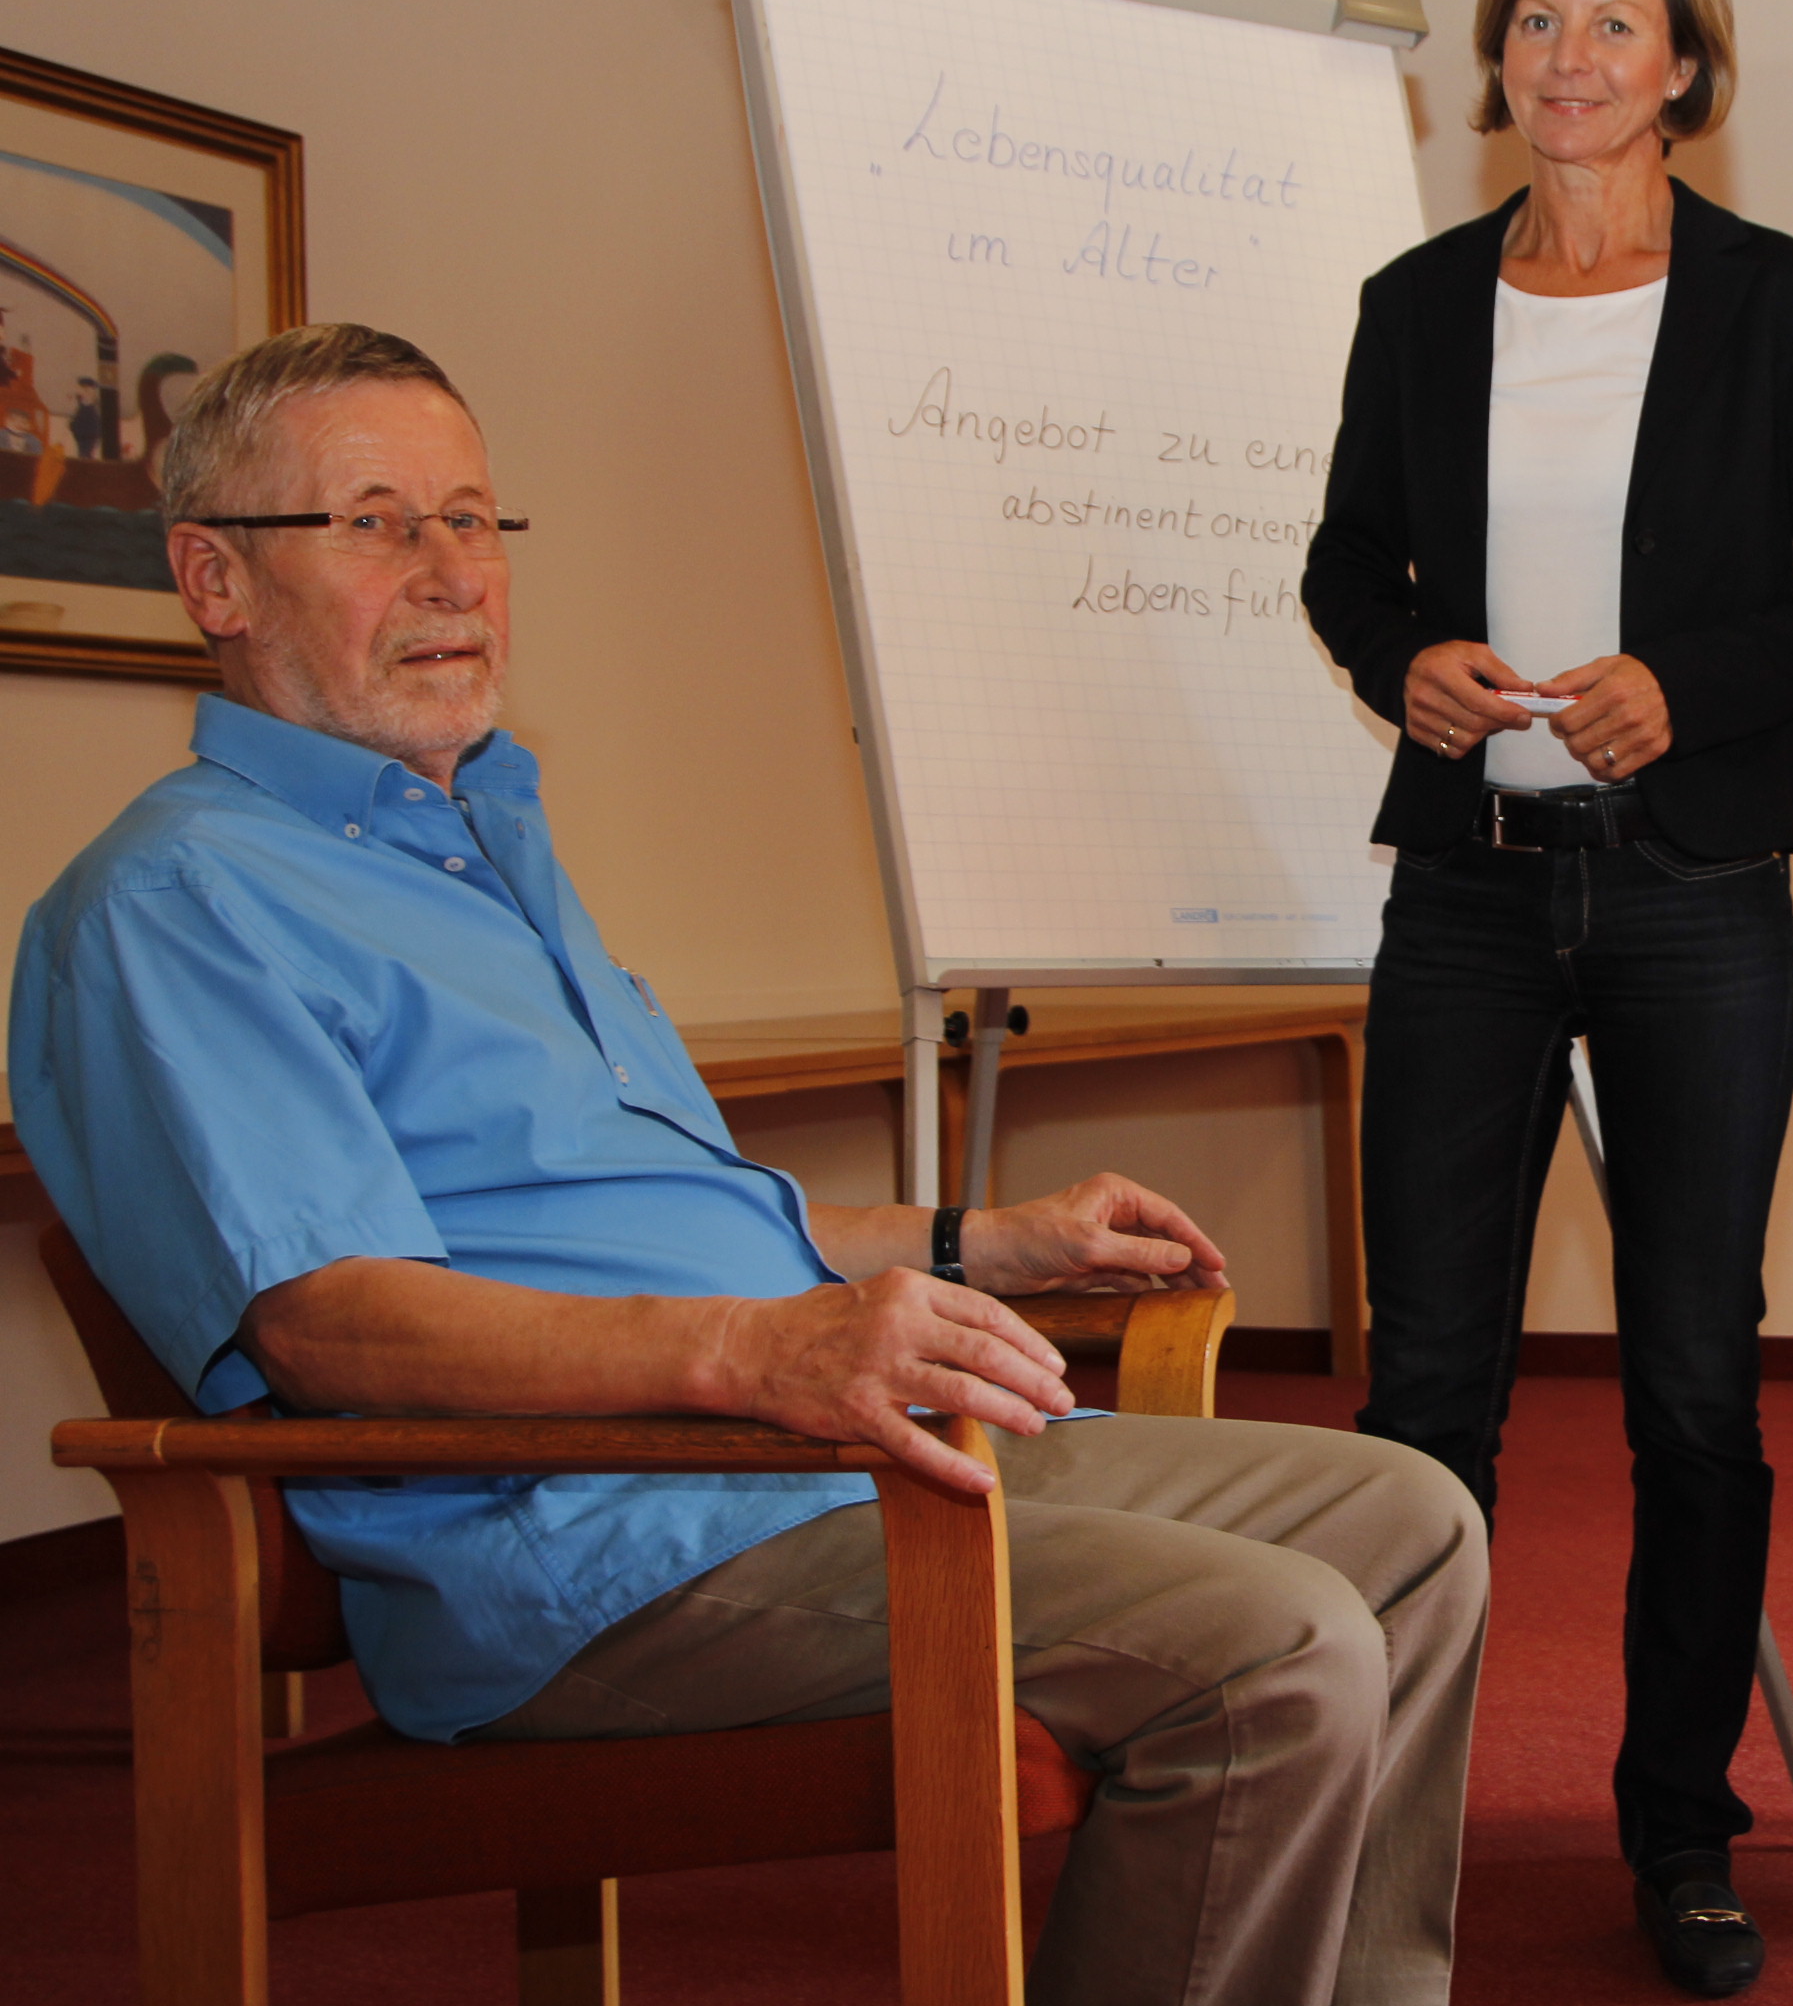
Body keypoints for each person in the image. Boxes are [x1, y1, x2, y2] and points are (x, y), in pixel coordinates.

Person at [11, 323, 1489, 2006]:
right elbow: (326, 1321)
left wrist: (971, 1239)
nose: (450, 573)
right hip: (598, 1550)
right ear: (213, 578)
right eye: (374, 523)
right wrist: (752, 1353)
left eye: (473, 519)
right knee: (1274, 1648)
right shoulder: (173, 904)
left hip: (813, 1455)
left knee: (1413, 1520)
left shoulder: (480, 837)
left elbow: (669, 1220)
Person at [1300, 0, 1793, 1998]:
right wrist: (1403, 659)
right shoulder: (1414, 304)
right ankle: (1382, 1832)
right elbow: (1347, 564)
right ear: (1501, 58)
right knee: (1427, 1392)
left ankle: (1681, 1831)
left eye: (1613, 24)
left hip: (1694, 895)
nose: (1570, 58)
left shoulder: (1774, 297)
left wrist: (1698, 685)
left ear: (1684, 65)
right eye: (1538, 21)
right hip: (1465, 895)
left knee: (1693, 1390)